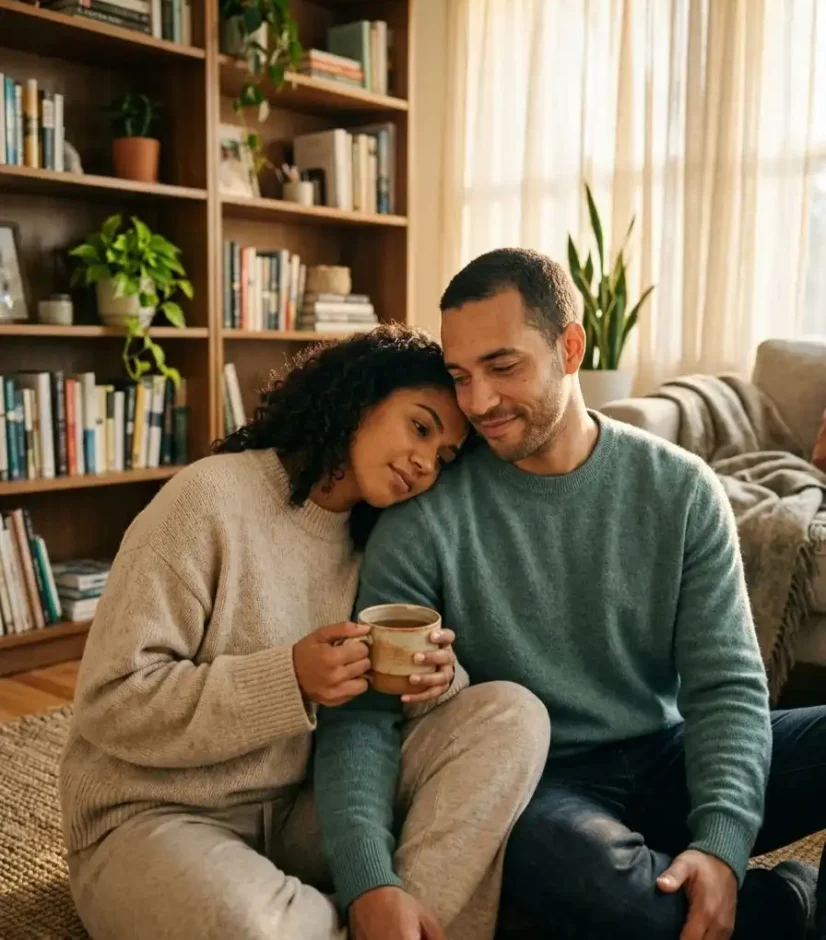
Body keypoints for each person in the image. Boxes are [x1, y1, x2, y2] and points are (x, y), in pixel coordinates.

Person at [313, 250, 826, 940]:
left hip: (667, 748)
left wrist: (723, 846)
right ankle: (791, 906)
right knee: (565, 867)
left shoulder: (680, 489)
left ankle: (727, 892)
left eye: (503, 367)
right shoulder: (424, 515)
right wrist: (368, 879)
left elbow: (726, 685)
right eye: (461, 377)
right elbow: (364, 716)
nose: (479, 403)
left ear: (571, 346)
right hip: (543, 786)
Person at [59, 325, 550, 940]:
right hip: (153, 816)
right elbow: (110, 704)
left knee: (512, 714)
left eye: (444, 457)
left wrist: (437, 683)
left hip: (298, 815)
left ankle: (396, 917)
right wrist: (287, 678)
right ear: (360, 398)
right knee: (255, 928)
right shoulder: (207, 499)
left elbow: (372, 720)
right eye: (420, 427)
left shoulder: (377, 541)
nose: (426, 463)